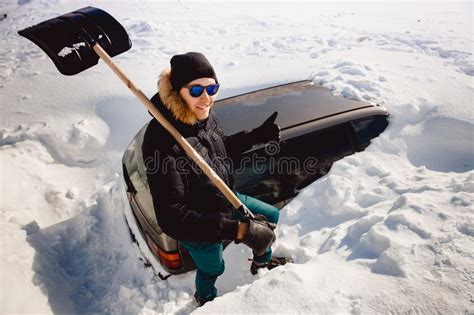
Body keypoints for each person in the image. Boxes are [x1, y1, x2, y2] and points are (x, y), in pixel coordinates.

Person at [142, 52, 289, 306]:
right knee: (213, 268)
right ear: (177, 92)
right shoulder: (162, 142)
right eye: (196, 89)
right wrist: (240, 230)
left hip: (226, 198)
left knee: (271, 217)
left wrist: (256, 136)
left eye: (212, 88)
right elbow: (171, 217)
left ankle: (261, 264)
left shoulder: (203, 117)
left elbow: (216, 152)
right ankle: (206, 299)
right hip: (200, 226)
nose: (206, 97)